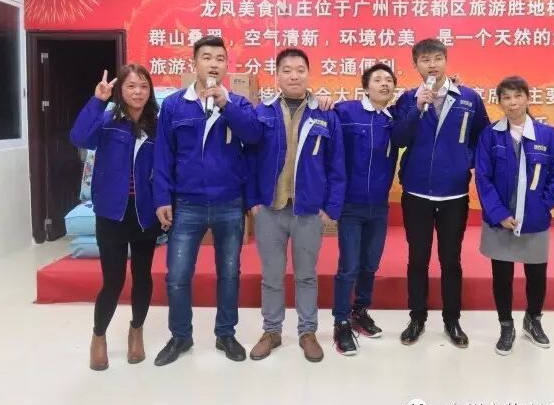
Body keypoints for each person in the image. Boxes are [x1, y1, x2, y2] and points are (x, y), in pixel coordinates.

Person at [152, 35, 262, 366]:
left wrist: (226, 105)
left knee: (229, 273)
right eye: (207, 58)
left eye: (220, 59)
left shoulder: (238, 104)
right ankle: (180, 336)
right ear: (194, 63)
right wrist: (162, 197)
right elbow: (163, 155)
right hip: (187, 204)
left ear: (227, 66)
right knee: (177, 275)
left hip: (229, 202)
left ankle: (225, 334)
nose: (214, 64)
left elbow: (254, 136)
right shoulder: (174, 105)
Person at [245, 48, 346, 363]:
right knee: (272, 276)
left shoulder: (326, 114)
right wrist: (253, 201)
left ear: (308, 74)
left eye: (300, 70)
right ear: (277, 75)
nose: (293, 76)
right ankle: (271, 331)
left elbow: (337, 165)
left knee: (306, 275)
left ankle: (307, 332)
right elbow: (248, 160)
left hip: (308, 210)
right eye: (286, 70)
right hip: (270, 209)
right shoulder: (262, 112)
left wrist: (330, 208)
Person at [392, 38, 489, 348]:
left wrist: (463, 161)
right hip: (417, 192)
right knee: (417, 259)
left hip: (453, 195)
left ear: (446, 60)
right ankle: (417, 317)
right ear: (415, 66)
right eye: (424, 60)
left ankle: (452, 319)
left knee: (451, 260)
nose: (431, 65)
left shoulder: (469, 98)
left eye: (436, 58)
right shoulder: (408, 98)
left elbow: (482, 138)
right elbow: (398, 138)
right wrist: (416, 108)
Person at [69, 65, 161, 371]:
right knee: (113, 280)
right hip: (112, 213)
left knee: (143, 276)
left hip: (145, 213)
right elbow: (79, 137)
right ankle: (99, 336)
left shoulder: (157, 126)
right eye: (131, 86)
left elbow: (165, 169)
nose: (138, 92)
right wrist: (97, 101)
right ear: (120, 91)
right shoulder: (108, 121)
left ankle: (137, 331)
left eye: (143, 86)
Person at [475, 76, 554, 356]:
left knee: (537, 274)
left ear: (527, 98)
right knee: (501, 276)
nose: (512, 103)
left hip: (534, 219)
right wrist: (498, 214)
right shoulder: (490, 135)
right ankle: (506, 326)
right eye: (506, 97)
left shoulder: (547, 135)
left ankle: (533, 320)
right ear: (499, 102)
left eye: (517, 96)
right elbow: (483, 178)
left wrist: (542, 205)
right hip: (500, 221)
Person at [331, 64, 398, 356]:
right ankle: (341, 321)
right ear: (366, 86)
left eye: (389, 80)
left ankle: (359, 311)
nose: (384, 84)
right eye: (378, 79)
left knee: (370, 264)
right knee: (349, 266)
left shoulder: (393, 120)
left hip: (379, 206)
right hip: (351, 205)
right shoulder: (346, 112)